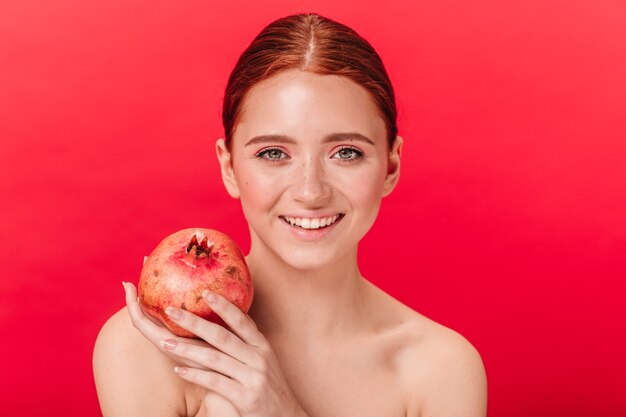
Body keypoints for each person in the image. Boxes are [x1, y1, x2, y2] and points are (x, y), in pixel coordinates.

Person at [93, 12, 487, 417]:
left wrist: (280, 410)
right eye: (274, 153)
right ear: (229, 168)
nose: (310, 191)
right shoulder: (151, 349)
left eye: (346, 153)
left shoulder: (442, 370)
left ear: (391, 167)